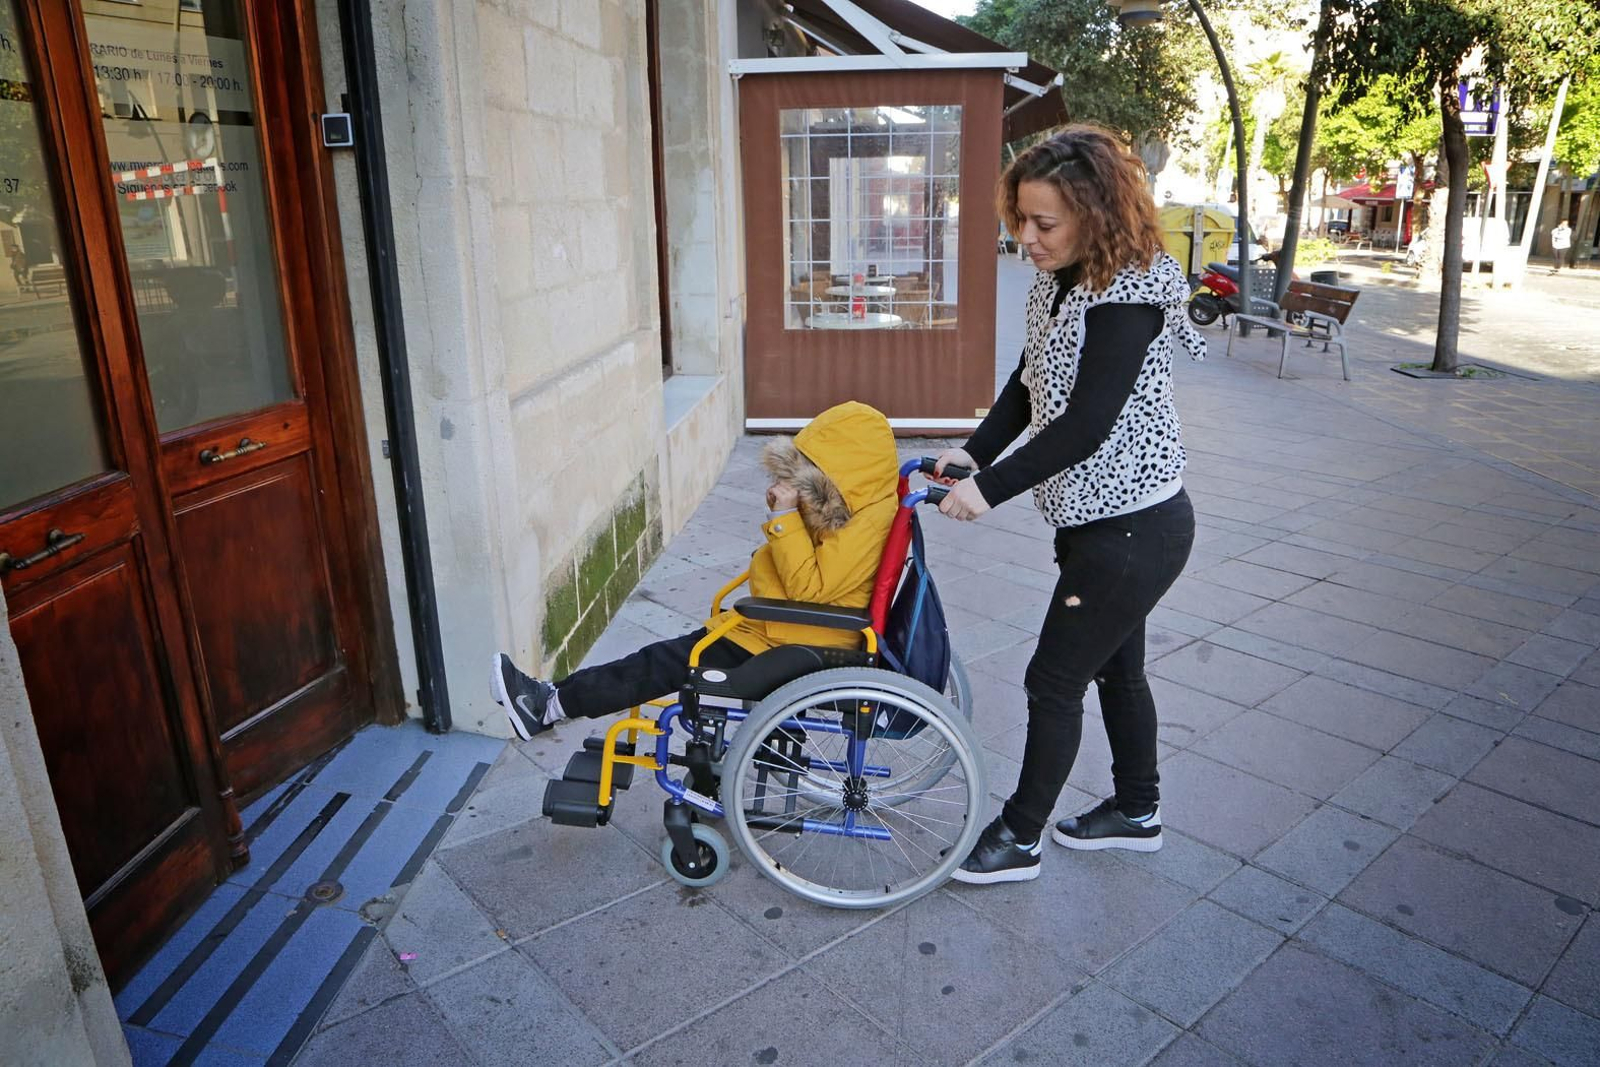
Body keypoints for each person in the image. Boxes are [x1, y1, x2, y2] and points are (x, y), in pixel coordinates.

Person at [934, 125, 1202, 885]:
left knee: (1053, 681)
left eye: (1043, 223)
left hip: (1136, 527)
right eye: (1019, 219)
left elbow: (1088, 422)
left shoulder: (1130, 288)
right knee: (1119, 673)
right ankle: (1137, 809)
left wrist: (986, 489)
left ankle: (1020, 836)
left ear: (1094, 211)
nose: (1027, 237)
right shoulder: (1064, 278)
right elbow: (1028, 380)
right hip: (1097, 525)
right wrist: (975, 450)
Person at [491, 401, 900, 738]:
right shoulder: (865, 505)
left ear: (842, 470)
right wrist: (795, 513)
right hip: (781, 627)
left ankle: (548, 706)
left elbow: (809, 588)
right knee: (664, 656)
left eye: (812, 467)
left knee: (661, 663)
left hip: (789, 637)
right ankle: (553, 696)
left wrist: (785, 517)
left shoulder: (865, 523)